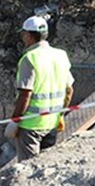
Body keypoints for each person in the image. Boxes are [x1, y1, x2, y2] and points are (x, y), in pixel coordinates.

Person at [5, 16, 75, 162]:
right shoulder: (61, 55)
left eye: (23, 34)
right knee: (45, 168)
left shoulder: (29, 58)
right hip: (52, 122)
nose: (23, 37)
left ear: (29, 35)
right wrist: (61, 113)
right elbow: (69, 91)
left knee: (28, 170)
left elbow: (25, 94)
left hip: (30, 125)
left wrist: (15, 120)